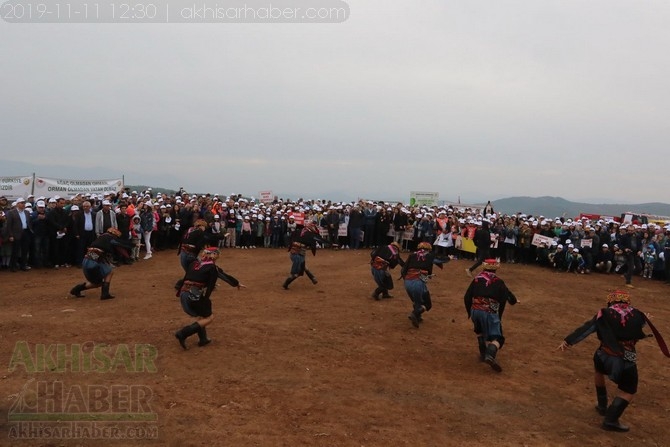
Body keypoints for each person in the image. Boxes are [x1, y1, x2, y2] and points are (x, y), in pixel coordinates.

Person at [557, 290, 668, 432]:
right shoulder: (638, 315)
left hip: (603, 353)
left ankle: (602, 406)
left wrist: (568, 341)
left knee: (599, 370)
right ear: (627, 301)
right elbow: (634, 329)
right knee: (628, 390)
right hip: (625, 357)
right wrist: (643, 320)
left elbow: (587, 328)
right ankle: (610, 420)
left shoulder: (604, 313)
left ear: (610, 301)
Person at [174, 246, 246, 349]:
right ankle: (183, 333)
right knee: (209, 317)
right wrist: (236, 283)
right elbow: (217, 280)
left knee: (202, 315)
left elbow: (186, 278)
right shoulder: (212, 267)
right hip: (194, 295)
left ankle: (203, 339)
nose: (218, 256)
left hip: (183, 294)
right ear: (212, 255)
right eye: (216, 254)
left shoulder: (194, 263)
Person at [463, 259, 519, 372]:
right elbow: (506, 298)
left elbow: (466, 297)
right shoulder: (499, 282)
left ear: (483, 267)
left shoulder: (477, 279)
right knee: (498, 338)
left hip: (475, 310)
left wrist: (470, 312)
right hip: (488, 311)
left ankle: (483, 352)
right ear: (496, 268)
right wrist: (511, 303)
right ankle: (490, 354)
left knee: (479, 330)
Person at [69, 227, 131, 300]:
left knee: (97, 283)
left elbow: (95, 253)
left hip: (86, 261)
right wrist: (133, 246)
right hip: (93, 262)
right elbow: (119, 246)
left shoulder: (100, 238)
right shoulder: (110, 239)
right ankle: (105, 294)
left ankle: (76, 289)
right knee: (109, 272)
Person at [401, 241, 449, 328]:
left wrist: (407, 280)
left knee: (417, 301)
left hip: (407, 282)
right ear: (429, 249)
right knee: (428, 304)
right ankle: (415, 313)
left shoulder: (411, 255)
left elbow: (403, 270)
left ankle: (418, 316)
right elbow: (444, 259)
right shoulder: (429, 256)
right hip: (418, 282)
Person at [282, 221, 329, 289]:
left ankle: (312, 278)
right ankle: (286, 284)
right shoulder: (310, 234)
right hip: (298, 254)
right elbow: (319, 239)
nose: (314, 228)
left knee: (303, 268)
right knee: (296, 273)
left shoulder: (299, 231)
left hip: (296, 253)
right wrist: (330, 243)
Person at [2, 198, 33, 272]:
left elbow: (29, 223)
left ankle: (23, 265)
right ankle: (13, 266)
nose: (23, 204)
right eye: (21, 203)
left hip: (25, 232)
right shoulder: (11, 212)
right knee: (15, 251)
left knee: (25, 250)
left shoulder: (26, 212)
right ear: (17, 204)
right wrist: (10, 235)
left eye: (24, 203)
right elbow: (9, 225)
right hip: (16, 233)